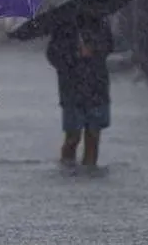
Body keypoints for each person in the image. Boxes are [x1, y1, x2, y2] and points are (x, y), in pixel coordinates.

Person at [46, 15, 114, 167]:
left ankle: (89, 168)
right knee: (73, 136)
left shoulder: (100, 21)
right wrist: (75, 54)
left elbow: (109, 45)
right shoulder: (63, 26)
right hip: (72, 88)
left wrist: (94, 49)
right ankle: (68, 167)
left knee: (93, 135)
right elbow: (53, 54)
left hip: (96, 86)